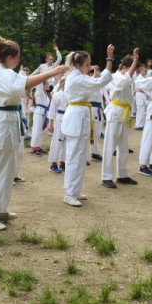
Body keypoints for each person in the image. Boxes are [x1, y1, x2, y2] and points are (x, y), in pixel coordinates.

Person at [0, 37, 66, 229]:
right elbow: (26, 83)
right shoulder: (0, 74)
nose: (18, 61)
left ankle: (1, 210)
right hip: (1, 123)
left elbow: (21, 85)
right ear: (9, 57)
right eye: (17, 57)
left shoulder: (2, 73)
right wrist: (53, 72)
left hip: (8, 122)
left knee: (9, 170)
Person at [62, 46, 116, 206]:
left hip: (80, 114)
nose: (89, 67)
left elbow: (96, 81)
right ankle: (69, 193)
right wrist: (109, 59)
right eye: (87, 64)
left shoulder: (78, 75)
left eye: (89, 64)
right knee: (74, 157)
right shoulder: (77, 78)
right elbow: (100, 82)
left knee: (80, 157)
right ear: (78, 65)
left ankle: (75, 190)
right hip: (76, 116)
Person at [101, 49, 139, 188]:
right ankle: (106, 176)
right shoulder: (115, 77)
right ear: (124, 67)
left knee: (123, 146)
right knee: (110, 145)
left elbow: (128, 81)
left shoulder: (128, 78)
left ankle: (122, 175)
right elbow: (123, 82)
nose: (132, 72)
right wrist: (135, 61)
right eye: (131, 69)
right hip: (116, 112)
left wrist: (134, 63)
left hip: (125, 113)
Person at [47, 76, 68, 174]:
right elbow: (52, 110)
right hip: (59, 118)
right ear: (61, 83)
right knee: (57, 141)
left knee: (66, 141)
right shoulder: (56, 95)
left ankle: (63, 162)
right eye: (65, 82)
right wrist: (51, 123)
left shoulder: (71, 95)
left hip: (68, 118)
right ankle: (53, 163)